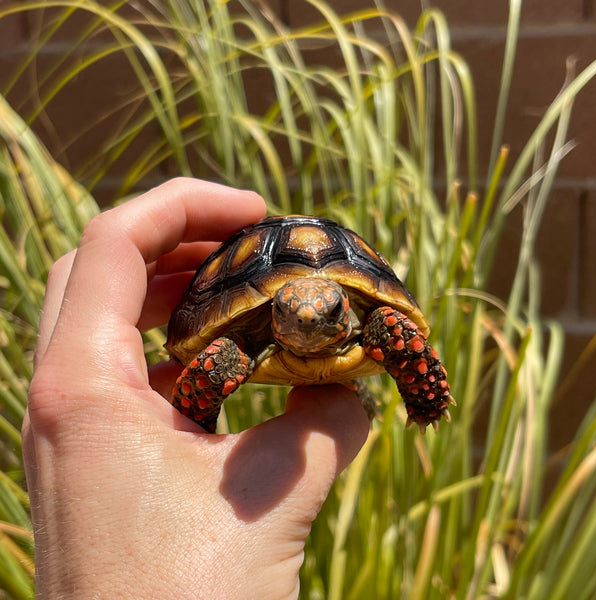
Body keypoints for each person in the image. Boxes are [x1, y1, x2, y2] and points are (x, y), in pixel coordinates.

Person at [23, 178, 370, 599]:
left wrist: (424, 393)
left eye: (328, 313)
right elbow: (215, 361)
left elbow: (402, 332)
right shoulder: (238, 342)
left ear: (346, 306)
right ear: (275, 311)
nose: (307, 324)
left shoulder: (376, 320)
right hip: (254, 332)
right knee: (216, 363)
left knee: (394, 331)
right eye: (287, 313)